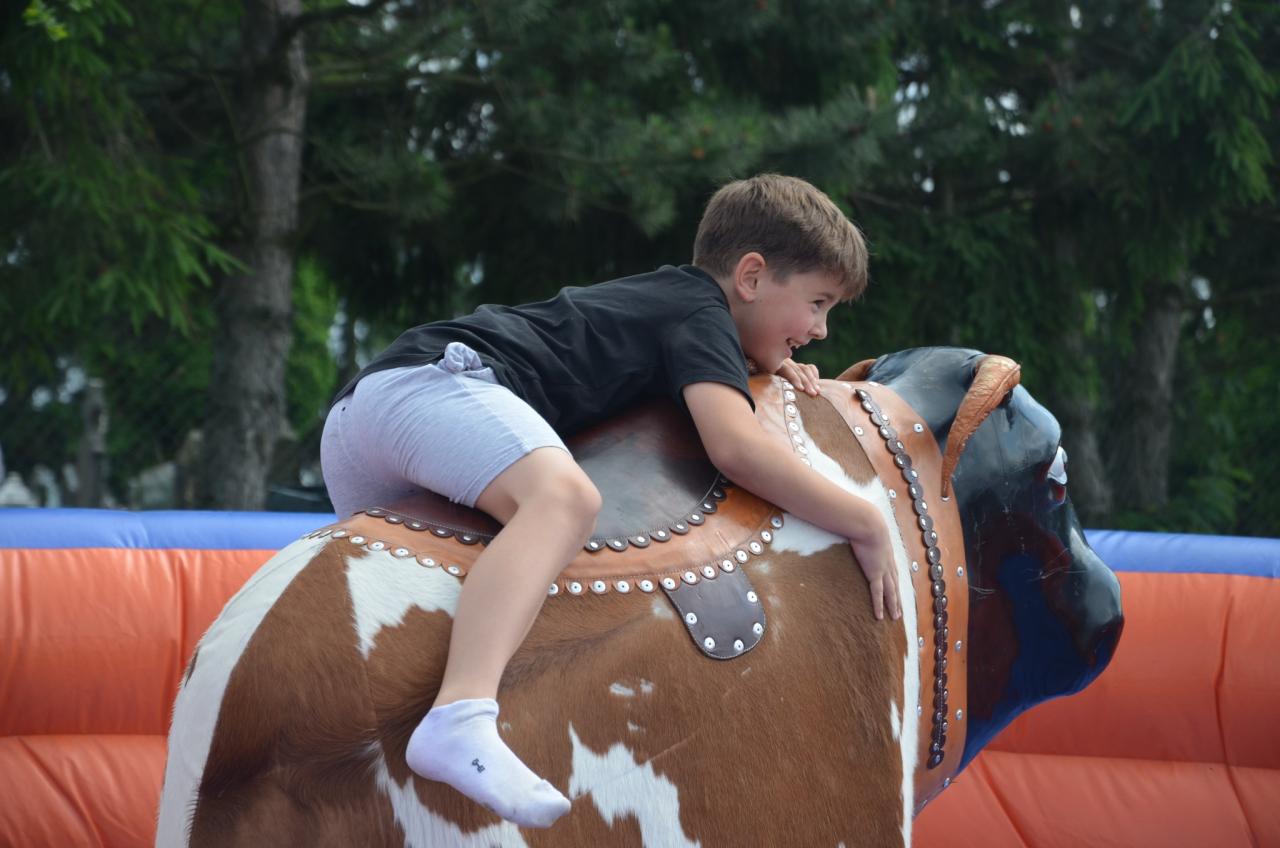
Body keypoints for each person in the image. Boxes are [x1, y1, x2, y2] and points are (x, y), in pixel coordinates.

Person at [320, 174, 902, 828]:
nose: (821, 330)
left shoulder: (678, 307)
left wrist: (766, 359)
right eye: (817, 304)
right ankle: (460, 714)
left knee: (461, 600)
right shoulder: (699, 312)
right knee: (564, 501)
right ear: (750, 276)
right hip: (431, 388)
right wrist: (866, 521)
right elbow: (736, 447)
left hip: (362, 421)